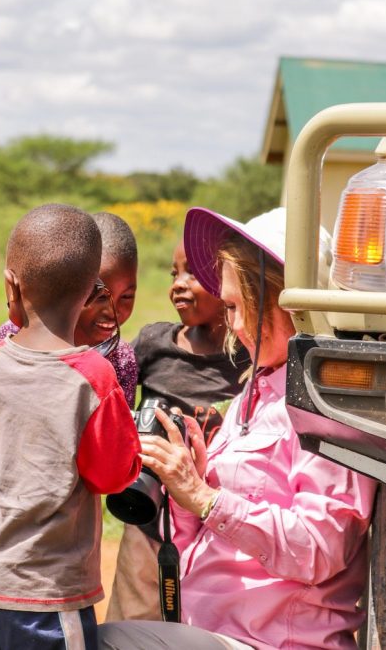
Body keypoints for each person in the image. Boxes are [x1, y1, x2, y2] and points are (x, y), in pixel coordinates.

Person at [99, 207, 377, 650]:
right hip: (213, 631)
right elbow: (205, 540)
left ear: (292, 301)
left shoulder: (328, 402)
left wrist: (207, 499)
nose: (237, 326)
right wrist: (183, 487)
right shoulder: (257, 390)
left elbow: (320, 547)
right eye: (229, 308)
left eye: (239, 306)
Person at [0, 204, 142, 649]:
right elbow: (113, 476)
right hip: (51, 599)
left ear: (11, 285)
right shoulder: (95, 378)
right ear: (91, 290)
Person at [105, 238, 250, 622]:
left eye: (194, 273)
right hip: (148, 517)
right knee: (132, 621)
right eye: (174, 273)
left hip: (214, 527)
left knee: (204, 622)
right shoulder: (155, 343)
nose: (178, 284)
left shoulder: (247, 361)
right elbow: (116, 395)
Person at [0, 211, 139, 407]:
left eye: (127, 296)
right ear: (74, 287)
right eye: (101, 296)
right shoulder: (14, 334)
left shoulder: (121, 359)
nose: (113, 310)